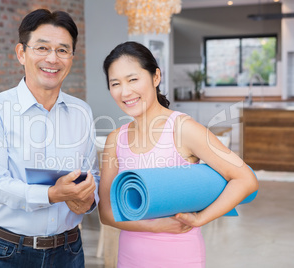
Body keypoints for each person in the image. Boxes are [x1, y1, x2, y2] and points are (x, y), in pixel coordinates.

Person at [98, 41, 259, 268]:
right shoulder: (115, 139)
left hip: (179, 256)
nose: (125, 91)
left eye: (133, 79)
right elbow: (106, 212)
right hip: (130, 256)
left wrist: (201, 218)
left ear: (155, 77)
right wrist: (156, 226)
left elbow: (246, 179)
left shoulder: (183, 128)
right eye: (115, 83)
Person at [0, 9, 99, 268]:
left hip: (69, 250)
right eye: (42, 48)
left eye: (63, 50)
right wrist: (52, 194)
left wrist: (87, 198)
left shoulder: (82, 111)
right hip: (8, 252)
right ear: (21, 53)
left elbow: (92, 175)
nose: (53, 58)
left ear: (72, 57)